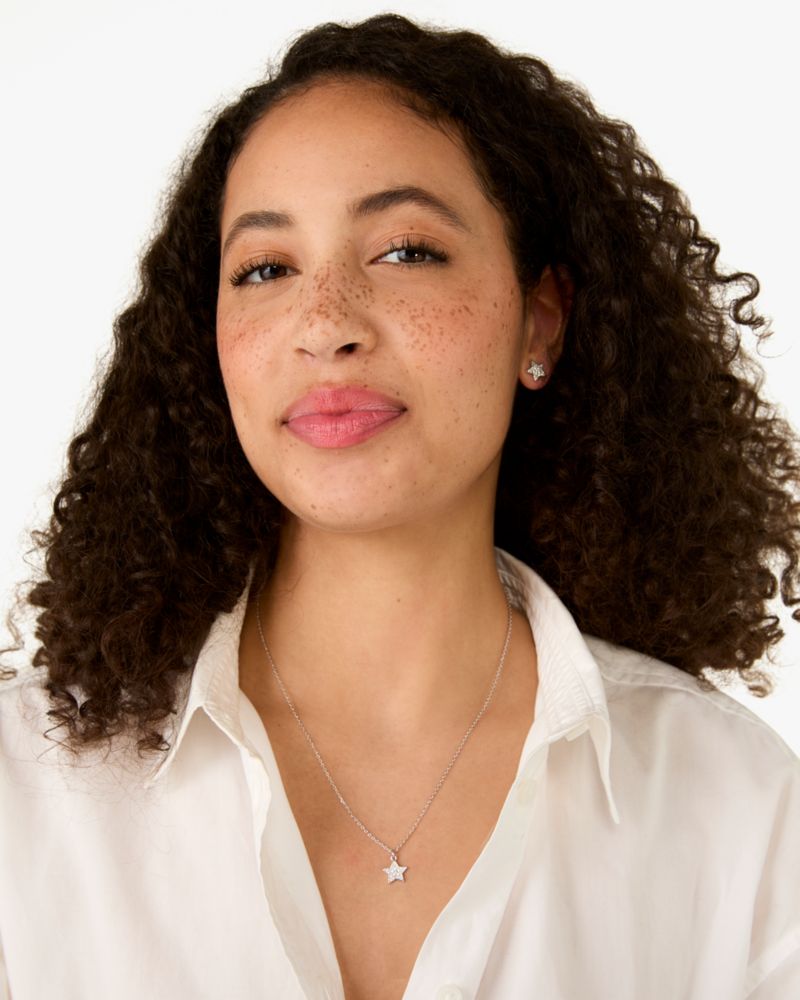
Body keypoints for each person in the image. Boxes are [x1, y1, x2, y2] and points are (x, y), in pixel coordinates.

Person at [1, 12, 799, 1000]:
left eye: (406, 251)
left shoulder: (741, 813)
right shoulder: (23, 794)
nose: (325, 323)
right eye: (265, 269)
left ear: (539, 320)